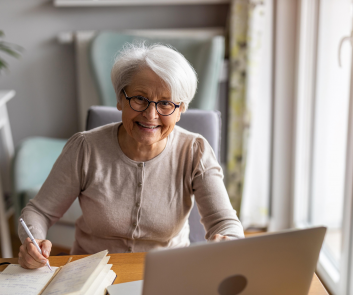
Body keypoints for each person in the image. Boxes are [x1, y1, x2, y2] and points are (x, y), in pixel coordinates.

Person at [18, 43, 244, 269]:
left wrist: (229, 240)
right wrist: (34, 241)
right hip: (89, 275)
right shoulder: (85, 148)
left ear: (181, 109)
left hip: (167, 273)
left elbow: (224, 223)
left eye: (165, 103)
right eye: (139, 99)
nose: (151, 114)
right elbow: (39, 211)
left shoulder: (195, 151)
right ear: (120, 98)